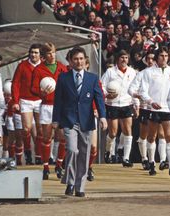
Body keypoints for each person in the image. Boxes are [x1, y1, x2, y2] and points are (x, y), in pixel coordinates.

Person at [52, 46, 107, 197]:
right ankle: (70, 182)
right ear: (70, 61)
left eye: (81, 58)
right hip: (69, 120)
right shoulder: (63, 78)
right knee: (72, 150)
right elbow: (58, 101)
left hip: (87, 121)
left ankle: (79, 186)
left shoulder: (92, 78)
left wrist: (102, 116)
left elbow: (99, 99)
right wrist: (56, 120)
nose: (79, 61)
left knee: (84, 153)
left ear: (85, 60)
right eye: (75, 59)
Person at [139, 46, 170, 176]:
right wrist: (151, 102)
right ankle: (151, 162)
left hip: (168, 108)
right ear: (157, 57)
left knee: (169, 136)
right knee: (152, 136)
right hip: (153, 108)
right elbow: (143, 91)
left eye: (166, 56)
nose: (164, 58)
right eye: (162, 56)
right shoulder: (148, 72)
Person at [31, 42, 67, 180]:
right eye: (49, 53)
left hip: (60, 106)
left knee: (62, 137)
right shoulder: (39, 69)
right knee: (47, 137)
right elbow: (33, 88)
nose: (52, 55)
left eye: (53, 52)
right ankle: (46, 166)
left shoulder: (62, 68)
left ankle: (59, 164)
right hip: (46, 106)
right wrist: (41, 92)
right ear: (44, 55)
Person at [101, 50, 137, 167]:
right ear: (118, 59)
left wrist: (136, 104)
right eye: (122, 57)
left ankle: (125, 157)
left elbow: (135, 89)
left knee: (128, 131)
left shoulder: (132, 72)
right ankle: (108, 152)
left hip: (127, 104)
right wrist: (107, 94)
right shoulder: (110, 72)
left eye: (126, 58)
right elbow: (101, 85)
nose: (124, 60)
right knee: (113, 132)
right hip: (113, 104)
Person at [11, 44, 43, 165]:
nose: (33, 55)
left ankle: (39, 155)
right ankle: (28, 153)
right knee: (26, 129)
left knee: (40, 130)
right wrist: (15, 101)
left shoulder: (44, 66)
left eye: (36, 52)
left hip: (40, 100)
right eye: (32, 52)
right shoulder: (22, 65)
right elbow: (15, 84)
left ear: (40, 55)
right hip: (26, 101)